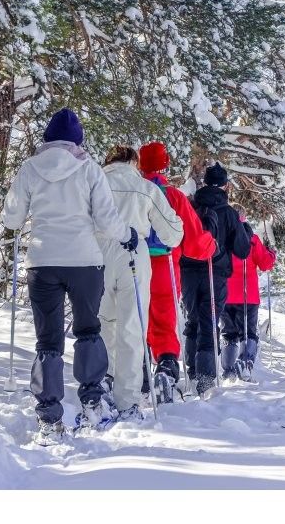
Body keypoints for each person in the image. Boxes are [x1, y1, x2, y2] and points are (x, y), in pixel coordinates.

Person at [2, 108, 137, 441]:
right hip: (84, 263)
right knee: (88, 330)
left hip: (42, 262)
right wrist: (127, 235)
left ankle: (49, 418)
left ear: (47, 139)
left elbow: (11, 218)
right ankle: (92, 402)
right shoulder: (89, 169)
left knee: (48, 341)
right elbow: (106, 218)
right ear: (78, 141)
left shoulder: (30, 168)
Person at [97, 145, 183, 421]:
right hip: (134, 252)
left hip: (96, 253)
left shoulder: (95, 182)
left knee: (101, 322)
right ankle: (128, 400)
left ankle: (101, 381)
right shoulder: (145, 188)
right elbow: (174, 233)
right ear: (134, 162)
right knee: (132, 326)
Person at [138, 141, 217, 403]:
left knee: (135, 320)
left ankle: (138, 373)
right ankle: (166, 367)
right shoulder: (173, 196)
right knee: (164, 320)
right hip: (166, 266)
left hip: (134, 263)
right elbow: (193, 241)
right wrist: (210, 245)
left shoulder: (134, 191)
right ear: (165, 165)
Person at [180, 162, 251, 395]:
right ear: (225, 186)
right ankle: (206, 377)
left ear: (204, 183)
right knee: (209, 322)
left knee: (193, 320)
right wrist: (244, 230)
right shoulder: (228, 213)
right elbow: (242, 250)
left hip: (189, 271)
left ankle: (192, 373)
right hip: (215, 272)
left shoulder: (192, 206)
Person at [219, 206, 276, 381]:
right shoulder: (252, 239)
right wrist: (271, 253)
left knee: (228, 333)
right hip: (247, 295)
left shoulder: (221, 236)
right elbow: (265, 264)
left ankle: (228, 370)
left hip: (225, 295)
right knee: (248, 332)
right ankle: (245, 362)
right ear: (244, 218)